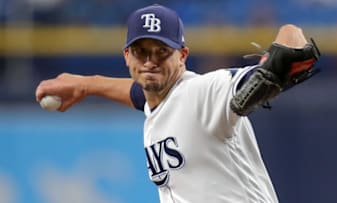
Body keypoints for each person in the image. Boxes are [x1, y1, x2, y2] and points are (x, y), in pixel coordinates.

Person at [35, 4, 320, 203]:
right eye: (140, 51)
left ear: (182, 56)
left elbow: (291, 52)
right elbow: (141, 96)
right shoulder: (157, 103)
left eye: (162, 51)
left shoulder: (202, 92)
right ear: (126, 56)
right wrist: (86, 84)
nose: (149, 61)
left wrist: (278, 53)